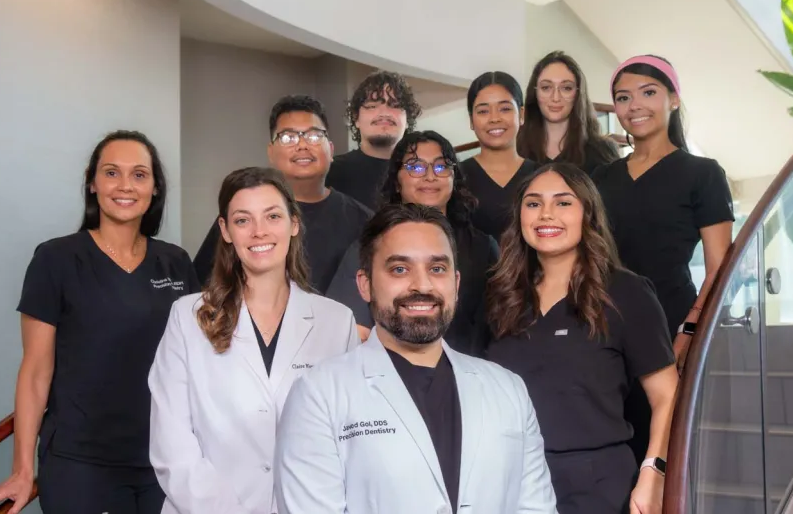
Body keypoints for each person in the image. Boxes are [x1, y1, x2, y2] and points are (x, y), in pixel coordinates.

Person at [275, 204, 559, 514]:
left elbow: (536, 508)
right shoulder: (319, 394)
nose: (421, 286)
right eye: (399, 269)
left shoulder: (508, 390)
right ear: (365, 284)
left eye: (437, 269)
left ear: (456, 283)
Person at [0, 131, 199, 514]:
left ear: (155, 188)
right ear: (92, 183)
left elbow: (199, 363)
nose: (125, 185)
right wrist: (22, 470)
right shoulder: (56, 259)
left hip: (165, 460)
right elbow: (35, 372)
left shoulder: (176, 262)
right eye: (111, 173)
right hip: (81, 464)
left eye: (139, 175)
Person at [149, 167, 359, 514]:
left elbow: (347, 439)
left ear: (294, 223)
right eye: (243, 220)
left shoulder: (336, 322)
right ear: (225, 231)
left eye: (272, 216)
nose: (259, 231)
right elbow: (172, 445)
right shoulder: (187, 317)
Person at [485, 163, 678, 514]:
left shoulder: (625, 291)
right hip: (511, 482)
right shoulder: (501, 296)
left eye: (563, 203)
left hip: (597, 485)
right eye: (533, 203)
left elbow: (667, 395)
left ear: (587, 213)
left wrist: (654, 473)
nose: (546, 214)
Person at [592, 55, 733, 462]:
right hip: (606, 323)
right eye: (623, 97)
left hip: (672, 322)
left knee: (668, 448)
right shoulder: (603, 178)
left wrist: (688, 334)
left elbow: (719, 270)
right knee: (619, 446)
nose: (634, 105)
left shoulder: (703, 173)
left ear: (673, 98)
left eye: (648, 92)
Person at [326, 130, 498, 352]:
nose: (430, 176)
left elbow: (498, 325)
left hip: (469, 375)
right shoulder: (370, 246)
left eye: (441, 166)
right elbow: (353, 333)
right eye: (416, 167)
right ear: (396, 182)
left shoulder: (482, 248)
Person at [193, 96, 372, 294]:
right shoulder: (242, 215)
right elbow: (204, 286)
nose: (302, 145)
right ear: (271, 152)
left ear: (330, 150)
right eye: (288, 137)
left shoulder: (364, 220)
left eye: (313, 136)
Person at [458, 71, 540, 240]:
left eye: (504, 108)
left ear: (522, 114)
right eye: (483, 111)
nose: (494, 118)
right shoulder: (455, 177)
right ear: (471, 121)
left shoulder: (542, 176)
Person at [325, 70, 423, 210]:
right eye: (372, 106)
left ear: (408, 119)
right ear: (355, 118)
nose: (384, 113)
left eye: (394, 105)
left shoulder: (425, 173)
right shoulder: (330, 174)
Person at [517, 50, 620, 174]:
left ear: (578, 93)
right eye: (546, 87)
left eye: (566, 88)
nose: (555, 97)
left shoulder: (603, 153)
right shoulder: (515, 148)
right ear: (535, 92)